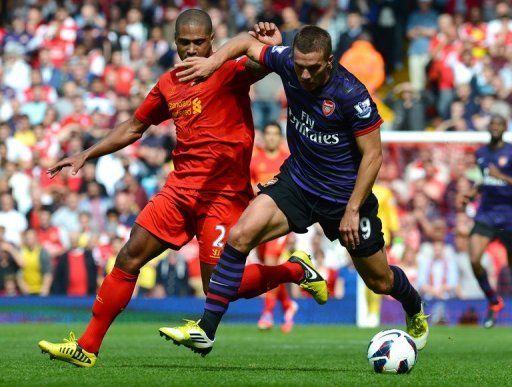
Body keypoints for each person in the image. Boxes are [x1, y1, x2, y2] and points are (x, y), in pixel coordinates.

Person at [38, 10, 327, 368]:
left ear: (211, 41)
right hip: (179, 191)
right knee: (129, 256)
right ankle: (87, 346)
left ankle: (295, 270)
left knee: (220, 287)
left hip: (223, 195)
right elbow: (133, 127)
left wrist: (270, 43)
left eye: (199, 42)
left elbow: (263, 61)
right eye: (185, 43)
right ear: (175, 44)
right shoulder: (168, 83)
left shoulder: (229, 71)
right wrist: (87, 152)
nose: (192, 50)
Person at [166, 23, 429, 355]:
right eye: (300, 66)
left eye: (313, 68)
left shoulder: (352, 94)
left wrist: (351, 210)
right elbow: (248, 43)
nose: (304, 75)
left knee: (379, 282)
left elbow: (373, 156)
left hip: (344, 199)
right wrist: (211, 62)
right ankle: (206, 331)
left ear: (330, 61)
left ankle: (415, 305)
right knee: (240, 235)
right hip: (299, 183)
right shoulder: (289, 61)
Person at [464, 115, 512, 328]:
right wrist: (472, 193)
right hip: (487, 213)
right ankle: (494, 300)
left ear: (504, 128)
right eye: (492, 124)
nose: (495, 127)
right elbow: (485, 180)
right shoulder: (481, 153)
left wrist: (500, 175)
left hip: (509, 214)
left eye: (498, 124)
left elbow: (498, 177)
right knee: (474, 259)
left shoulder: (511, 151)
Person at [250, 122, 297, 333]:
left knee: (270, 262)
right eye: (267, 133)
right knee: (267, 269)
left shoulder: (287, 160)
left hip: (281, 220)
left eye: (274, 134)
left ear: (280, 138)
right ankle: (288, 305)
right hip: (259, 221)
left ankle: (267, 313)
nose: (270, 138)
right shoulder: (255, 160)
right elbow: (248, 186)